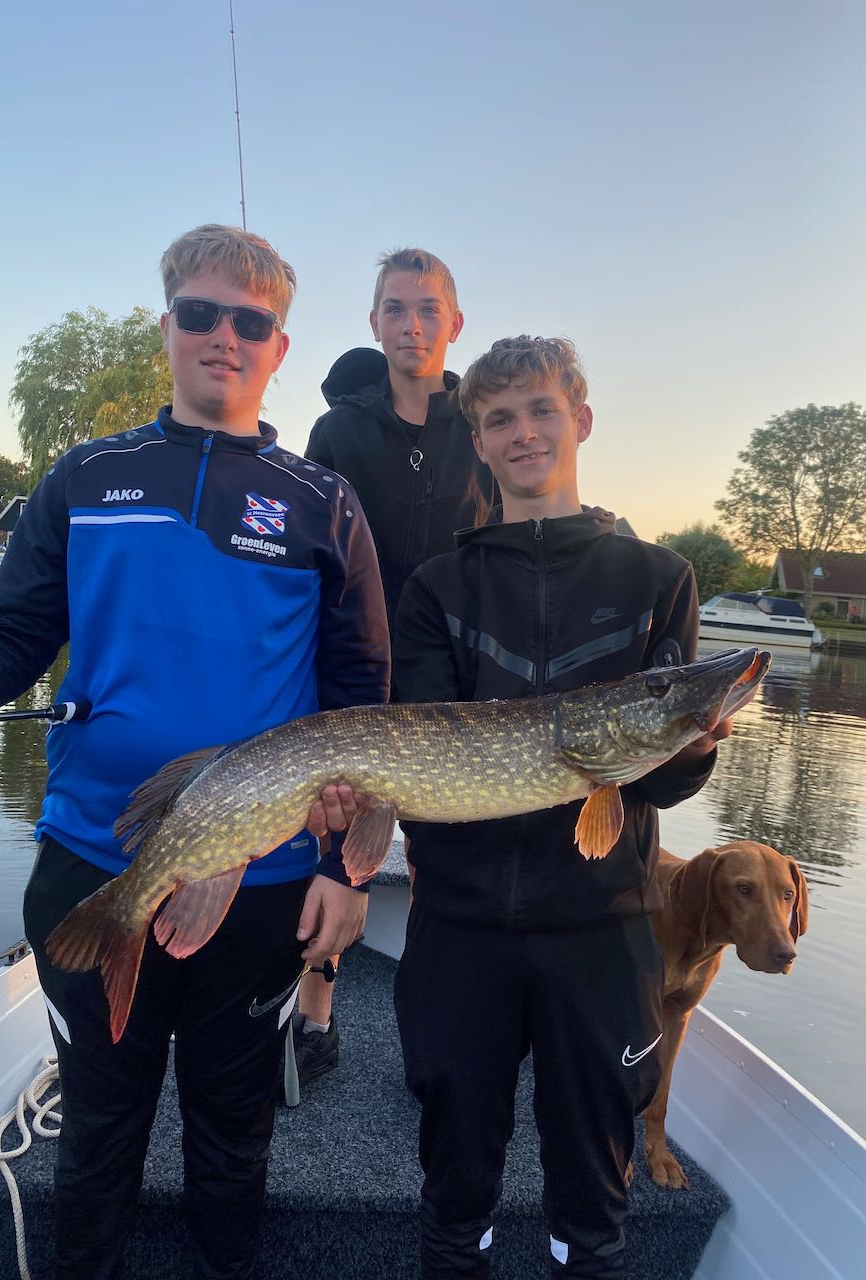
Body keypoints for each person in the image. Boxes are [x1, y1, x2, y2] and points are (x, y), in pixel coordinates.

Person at [0, 224, 390, 1279]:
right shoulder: (87, 475)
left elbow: (363, 703)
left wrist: (344, 868)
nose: (224, 336)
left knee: (233, 1138)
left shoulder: (323, 502)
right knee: (99, 1133)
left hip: (265, 880)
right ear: (169, 324)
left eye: (251, 322)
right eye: (201, 313)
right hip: (94, 860)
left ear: (278, 347)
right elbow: (8, 641)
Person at [390, 336, 734, 1279]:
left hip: (602, 928)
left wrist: (693, 745)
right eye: (500, 418)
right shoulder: (437, 588)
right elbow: (421, 774)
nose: (524, 432)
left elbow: (656, 781)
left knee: (593, 1201)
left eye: (542, 410)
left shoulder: (658, 579)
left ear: (580, 420)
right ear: (480, 443)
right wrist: (361, 803)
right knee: (454, 1183)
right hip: (461, 928)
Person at [291, 248, 496, 1084]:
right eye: (396, 309)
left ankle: (446, 1034)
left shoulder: (483, 428)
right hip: (352, 664)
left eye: (427, 309)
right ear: (374, 323)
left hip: (454, 675)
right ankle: (315, 1013)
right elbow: (308, 551)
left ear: (455, 324)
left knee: (452, 857)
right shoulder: (339, 431)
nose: (412, 325)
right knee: (336, 837)